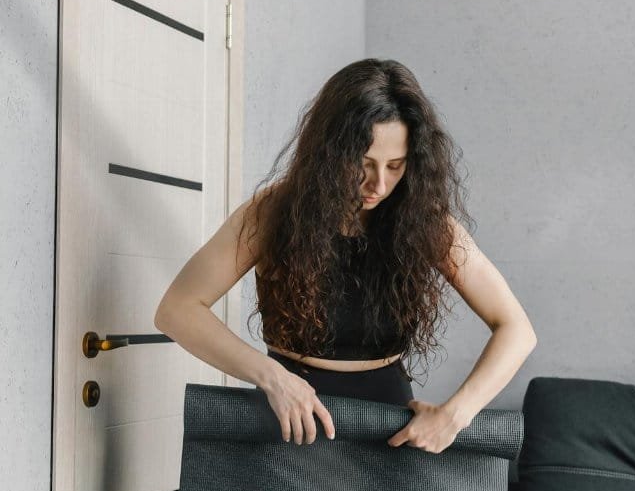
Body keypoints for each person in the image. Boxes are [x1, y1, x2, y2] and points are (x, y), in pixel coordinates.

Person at [154, 58, 537, 454]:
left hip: (384, 426)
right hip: (290, 418)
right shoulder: (274, 211)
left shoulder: (425, 219)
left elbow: (517, 329)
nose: (380, 184)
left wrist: (456, 414)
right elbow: (177, 310)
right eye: (364, 163)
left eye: (396, 165)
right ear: (332, 152)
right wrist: (272, 377)